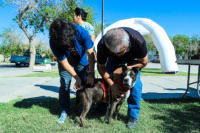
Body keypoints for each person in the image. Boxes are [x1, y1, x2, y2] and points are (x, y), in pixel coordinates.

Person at [97, 27, 148, 128]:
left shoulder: (138, 40)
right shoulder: (103, 45)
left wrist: (123, 69)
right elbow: (101, 67)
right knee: (106, 80)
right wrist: (112, 84)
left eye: (121, 52)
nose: (118, 55)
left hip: (133, 61)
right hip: (113, 61)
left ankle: (133, 116)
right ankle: (101, 107)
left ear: (128, 43)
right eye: (114, 52)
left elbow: (144, 62)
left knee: (136, 85)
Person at [49, 18, 95, 123]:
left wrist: (91, 73)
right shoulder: (53, 41)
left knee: (83, 83)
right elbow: (64, 63)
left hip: (81, 59)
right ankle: (64, 110)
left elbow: (91, 53)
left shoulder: (80, 31)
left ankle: (79, 107)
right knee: (65, 83)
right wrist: (76, 78)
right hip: (66, 61)